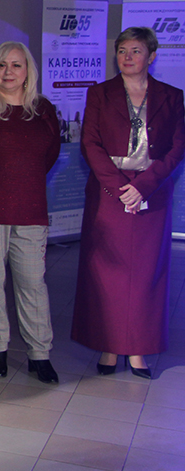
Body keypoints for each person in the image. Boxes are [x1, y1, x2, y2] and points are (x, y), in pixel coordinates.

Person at [72, 27, 185, 379]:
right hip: (109, 192)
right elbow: (90, 144)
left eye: (136, 50)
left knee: (146, 275)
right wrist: (121, 188)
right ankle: (108, 345)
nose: (127, 57)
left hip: (152, 193)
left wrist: (143, 187)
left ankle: (138, 349)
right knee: (107, 273)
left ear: (151, 56)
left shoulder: (172, 96)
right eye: (122, 50)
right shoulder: (99, 93)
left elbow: (177, 148)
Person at [0, 41, 61, 383]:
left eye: (16, 65)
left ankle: (40, 353)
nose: (8, 71)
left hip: (31, 210)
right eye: (2, 65)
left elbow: (49, 155)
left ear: (27, 71)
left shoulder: (43, 110)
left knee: (32, 284)